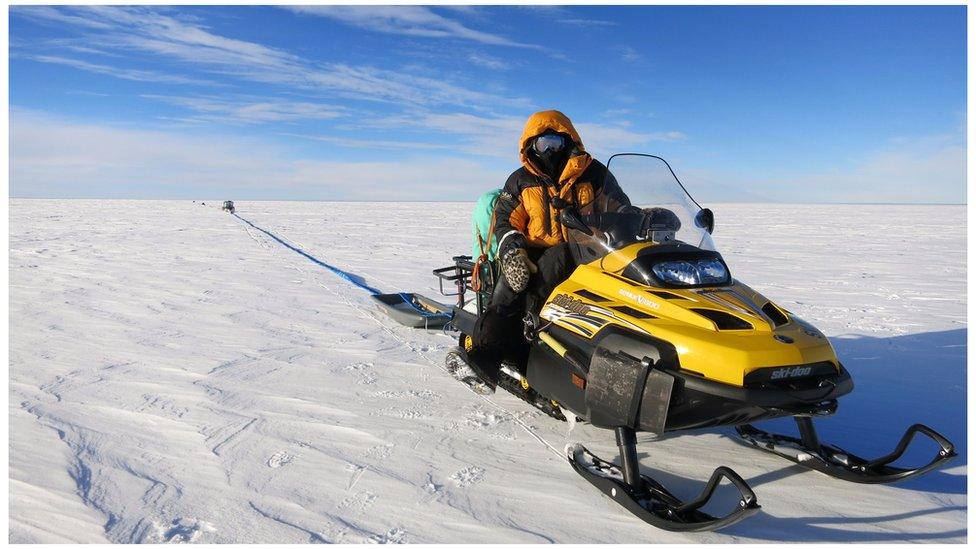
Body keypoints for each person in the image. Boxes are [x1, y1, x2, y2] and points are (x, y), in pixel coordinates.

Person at [461, 110, 637, 391]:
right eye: (543, 144)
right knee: (512, 286)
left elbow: (619, 204)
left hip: (592, 251)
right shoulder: (520, 180)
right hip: (534, 251)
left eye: (557, 142)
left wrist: (640, 217)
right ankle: (487, 355)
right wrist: (512, 251)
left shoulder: (594, 172)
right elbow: (506, 220)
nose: (551, 150)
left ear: (570, 141)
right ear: (530, 146)